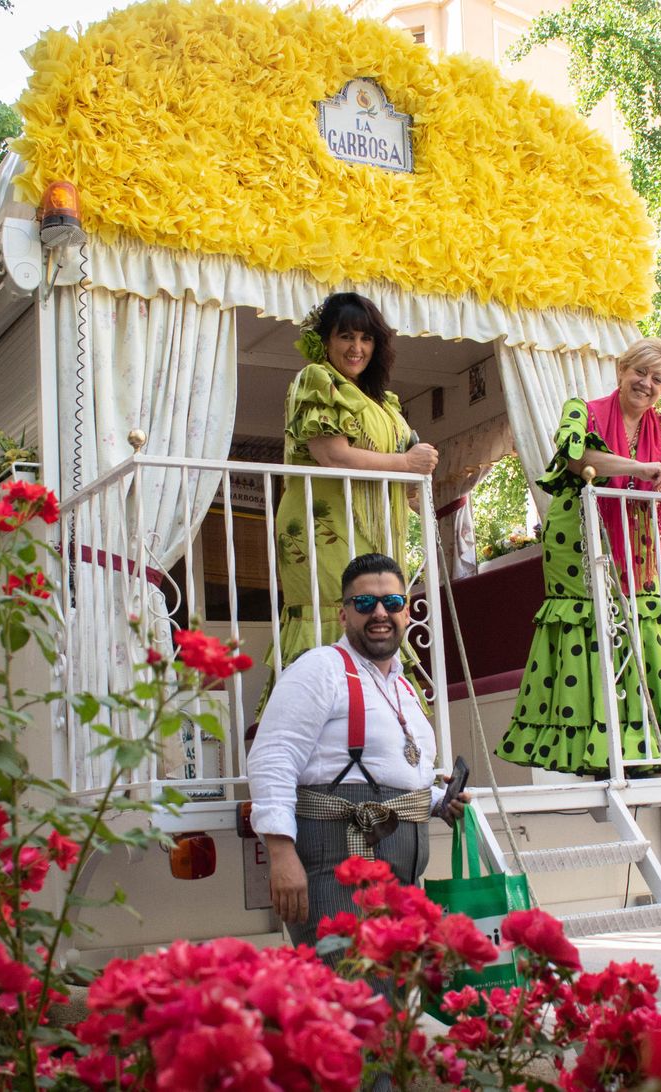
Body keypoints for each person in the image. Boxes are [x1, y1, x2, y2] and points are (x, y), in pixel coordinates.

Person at [497, 332, 661, 777]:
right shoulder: (582, 408)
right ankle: (594, 752)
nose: (646, 383)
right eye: (640, 372)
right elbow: (576, 457)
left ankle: (647, 749)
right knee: (589, 627)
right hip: (580, 539)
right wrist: (641, 469)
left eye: (657, 378)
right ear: (622, 371)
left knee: (639, 623)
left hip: (637, 540)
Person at [248, 553, 469, 949]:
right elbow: (273, 757)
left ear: (406, 613)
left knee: (392, 998)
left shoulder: (402, 686)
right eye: (365, 603)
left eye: (393, 603)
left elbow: (388, 770)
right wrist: (281, 855)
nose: (380, 612)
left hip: (402, 876)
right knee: (348, 992)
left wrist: (438, 800)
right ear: (343, 614)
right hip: (336, 867)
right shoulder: (320, 669)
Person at [271, 293, 438, 672]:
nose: (356, 348)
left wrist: (412, 467)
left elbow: (397, 462)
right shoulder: (317, 380)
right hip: (327, 523)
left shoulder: (382, 401)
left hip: (371, 526)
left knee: (376, 611)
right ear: (326, 340)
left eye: (366, 338)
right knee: (340, 608)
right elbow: (331, 453)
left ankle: (378, 713)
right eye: (346, 336)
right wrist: (405, 462)